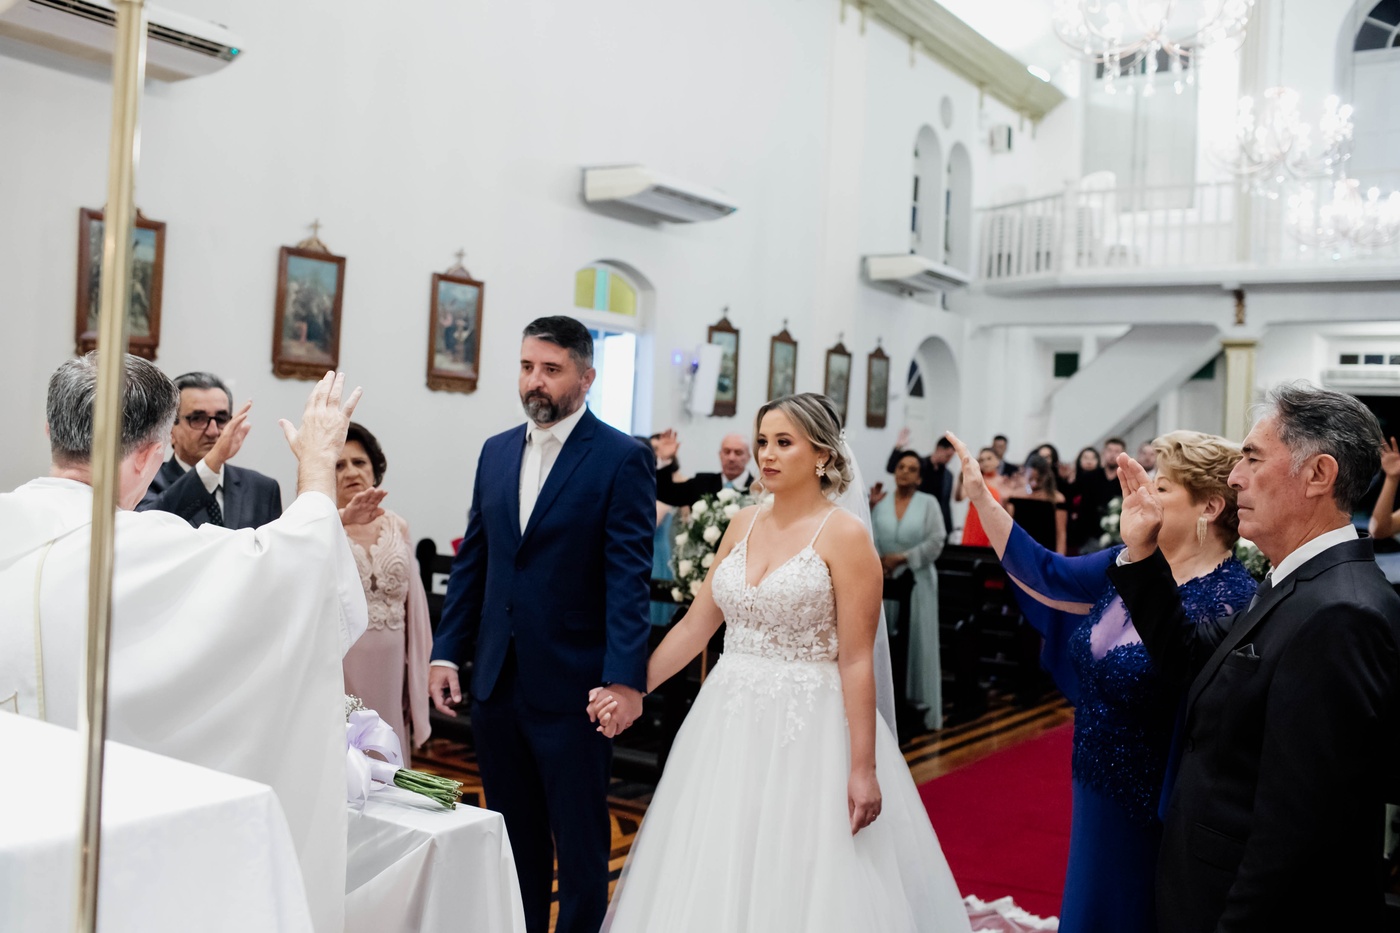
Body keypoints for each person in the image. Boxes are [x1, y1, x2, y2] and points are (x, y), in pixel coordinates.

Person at [0, 356, 367, 933]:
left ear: (51, 430)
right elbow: (296, 574)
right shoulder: (133, 550)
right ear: (149, 454)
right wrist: (318, 465)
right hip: (97, 867)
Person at [595, 394, 972, 932]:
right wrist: (633, 688)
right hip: (727, 719)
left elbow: (857, 661)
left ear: (822, 455)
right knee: (718, 857)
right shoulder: (741, 524)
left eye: (783, 442)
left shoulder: (845, 536)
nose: (766, 454)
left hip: (810, 729)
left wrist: (862, 768)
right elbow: (697, 626)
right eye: (762, 441)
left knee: (798, 869)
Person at [1108, 384, 1400, 933]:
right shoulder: (1299, 581)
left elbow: (1298, 830)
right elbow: (1192, 657)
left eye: (1252, 458)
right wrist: (1142, 551)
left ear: (1318, 475)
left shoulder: (1341, 611)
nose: (1235, 477)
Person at [948, 429, 1255, 933]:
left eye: (1162, 488)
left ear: (1209, 507)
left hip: (1151, 803)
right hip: (1093, 782)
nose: (1145, 494)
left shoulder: (1230, 602)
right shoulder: (1126, 563)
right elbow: (1048, 572)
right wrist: (983, 497)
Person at [428, 315, 653, 933]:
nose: (535, 381)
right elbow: (478, 560)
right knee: (512, 839)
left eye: (551, 370)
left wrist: (623, 680)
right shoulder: (497, 450)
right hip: (497, 681)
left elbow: (628, 579)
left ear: (586, 377)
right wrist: (446, 651)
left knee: (580, 846)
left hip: (576, 686)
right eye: (528, 366)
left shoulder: (621, 459)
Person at [336, 421, 432, 760]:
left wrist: (417, 672)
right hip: (341, 662)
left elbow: (415, 606)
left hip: (391, 664)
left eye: (359, 462)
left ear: (374, 469)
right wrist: (339, 519)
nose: (351, 471)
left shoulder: (397, 525)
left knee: (387, 748)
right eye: (339, 465)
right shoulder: (320, 526)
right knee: (348, 754)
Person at [137, 371, 283, 528]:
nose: (213, 432)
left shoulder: (263, 488)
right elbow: (148, 528)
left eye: (221, 419)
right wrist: (212, 462)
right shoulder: (145, 481)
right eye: (198, 419)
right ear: (170, 428)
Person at [874, 451, 948, 729]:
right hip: (886, 581)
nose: (905, 472)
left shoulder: (928, 503)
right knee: (888, 642)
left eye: (912, 468)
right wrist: (882, 562)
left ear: (919, 477)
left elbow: (937, 540)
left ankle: (921, 709)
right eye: (901, 467)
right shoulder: (881, 504)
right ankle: (886, 709)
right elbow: (871, 536)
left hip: (918, 580)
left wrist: (904, 558)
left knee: (917, 640)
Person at [652, 429, 753, 505]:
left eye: (738, 453)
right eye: (727, 452)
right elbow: (666, 494)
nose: (731, 458)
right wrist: (665, 459)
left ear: (749, 457)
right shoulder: (702, 483)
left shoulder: (757, 488)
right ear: (720, 455)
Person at [886, 428, 955, 534]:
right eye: (948, 456)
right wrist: (898, 447)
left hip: (937, 522)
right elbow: (891, 468)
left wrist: (949, 529)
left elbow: (946, 504)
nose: (949, 460)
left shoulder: (948, 475)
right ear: (939, 449)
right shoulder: (919, 466)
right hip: (916, 518)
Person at [1006, 452, 1067, 554]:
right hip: (1020, 550)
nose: (1034, 483)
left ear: (1046, 477)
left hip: (1045, 551)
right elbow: (1008, 528)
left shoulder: (1056, 499)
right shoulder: (1016, 496)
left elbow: (1061, 534)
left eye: (1039, 480)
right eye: (1030, 479)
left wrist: (1060, 559)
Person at [956, 446, 1006, 548]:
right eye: (982, 460)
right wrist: (963, 476)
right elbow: (960, 497)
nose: (986, 463)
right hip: (974, 523)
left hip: (993, 526)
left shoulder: (1004, 482)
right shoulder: (976, 479)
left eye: (989, 458)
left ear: (998, 460)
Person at [1064, 446, 1111, 554]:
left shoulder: (1102, 482)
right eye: (1085, 458)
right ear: (1079, 460)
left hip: (1092, 534)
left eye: (1093, 458)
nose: (1089, 461)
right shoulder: (1071, 481)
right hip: (1070, 531)